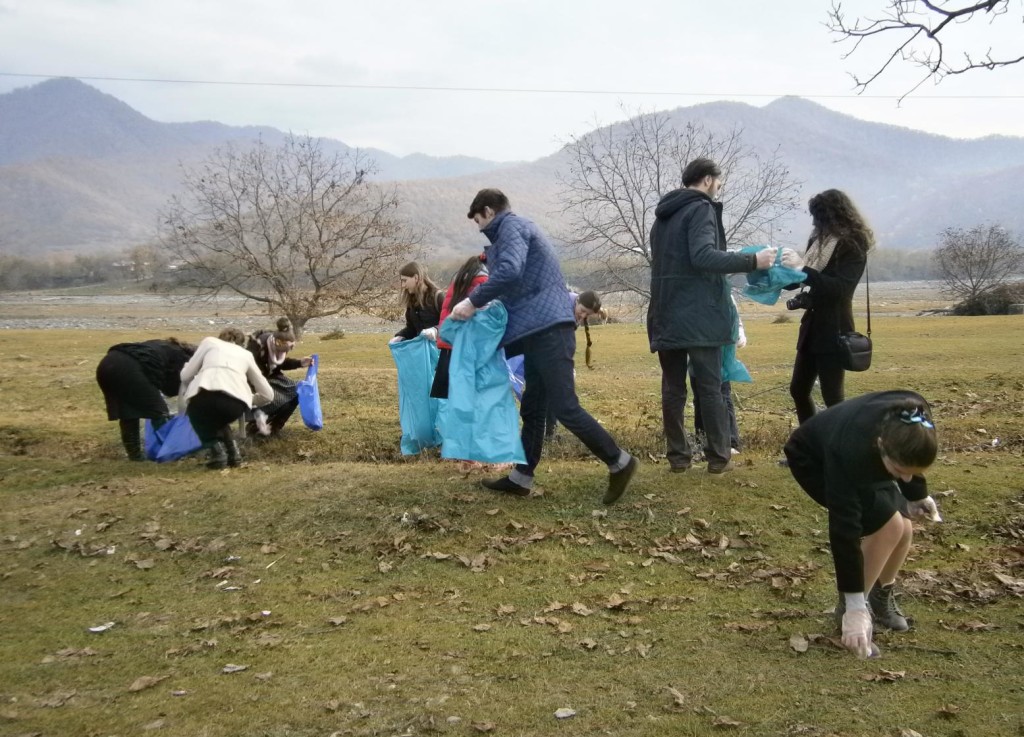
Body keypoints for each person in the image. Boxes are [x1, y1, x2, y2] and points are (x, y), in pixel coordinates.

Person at [449, 188, 638, 505]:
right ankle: (521, 479)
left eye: (479, 220)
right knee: (534, 408)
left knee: (565, 407)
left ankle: (619, 461)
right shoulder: (517, 228)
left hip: (550, 331)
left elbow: (509, 270)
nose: (479, 228)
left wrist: (473, 301)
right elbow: (519, 281)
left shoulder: (511, 227)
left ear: (488, 211)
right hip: (540, 331)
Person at [783, 390, 941, 658]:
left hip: (868, 451)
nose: (904, 479)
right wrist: (854, 605)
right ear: (881, 445)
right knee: (888, 526)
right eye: (899, 472)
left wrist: (917, 494)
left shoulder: (915, 419)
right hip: (813, 457)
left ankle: (881, 597)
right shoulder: (851, 454)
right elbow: (845, 531)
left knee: (904, 526)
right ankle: (851, 611)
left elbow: (910, 462)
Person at [647, 158, 776, 474]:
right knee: (710, 386)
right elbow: (703, 257)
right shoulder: (701, 208)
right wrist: (752, 261)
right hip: (699, 314)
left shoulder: (663, 217)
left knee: (673, 388)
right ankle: (719, 457)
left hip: (665, 311)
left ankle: (678, 458)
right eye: (719, 182)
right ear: (707, 180)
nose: (720, 187)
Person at [781, 189, 873, 424]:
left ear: (832, 216)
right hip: (812, 326)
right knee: (798, 390)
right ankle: (810, 447)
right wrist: (779, 270)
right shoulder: (819, 242)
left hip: (835, 328)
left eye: (818, 217)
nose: (815, 223)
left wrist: (801, 269)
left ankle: (836, 448)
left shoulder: (853, 245)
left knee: (833, 396)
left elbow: (840, 288)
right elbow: (802, 278)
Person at [180, 328, 274, 469]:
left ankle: (217, 454)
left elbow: (185, 376)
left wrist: (189, 368)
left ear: (220, 337)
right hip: (235, 406)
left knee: (196, 416)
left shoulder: (209, 342)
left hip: (206, 396)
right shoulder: (246, 354)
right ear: (241, 343)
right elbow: (268, 395)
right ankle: (234, 455)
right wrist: (248, 398)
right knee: (219, 419)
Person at [96, 337, 196, 460]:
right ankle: (171, 451)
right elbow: (172, 387)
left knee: (127, 413)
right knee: (159, 411)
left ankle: (135, 456)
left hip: (106, 365)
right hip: (129, 368)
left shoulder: (163, 346)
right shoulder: (183, 357)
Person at [544, 289, 604, 439]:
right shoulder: (562, 309)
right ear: (577, 301)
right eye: (583, 311)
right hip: (543, 349)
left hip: (552, 352)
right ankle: (544, 432)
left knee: (552, 390)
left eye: (588, 315)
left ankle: (549, 431)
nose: (583, 316)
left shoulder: (573, 304)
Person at [691, 296, 746, 455]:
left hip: (719, 350)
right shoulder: (689, 288)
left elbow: (733, 315)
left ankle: (730, 440)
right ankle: (702, 440)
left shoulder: (721, 289)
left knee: (723, 394)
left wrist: (739, 334)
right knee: (699, 397)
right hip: (695, 349)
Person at [430, 254, 489, 399]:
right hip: (468, 349)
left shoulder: (457, 280)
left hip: (448, 346)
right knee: (469, 398)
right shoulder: (484, 281)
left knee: (450, 398)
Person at [245, 318, 312, 437]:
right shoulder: (258, 346)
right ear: (276, 343)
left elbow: (280, 363)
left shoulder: (281, 344)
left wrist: (300, 363)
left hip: (271, 376)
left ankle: (276, 426)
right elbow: (250, 369)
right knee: (272, 398)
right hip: (253, 379)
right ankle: (255, 425)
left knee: (297, 391)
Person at [389, 261, 443, 346]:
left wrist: (435, 330)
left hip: (440, 353)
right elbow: (412, 329)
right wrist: (400, 336)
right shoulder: (412, 301)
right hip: (422, 353)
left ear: (416, 277)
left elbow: (451, 323)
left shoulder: (438, 297)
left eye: (404, 280)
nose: (403, 285)